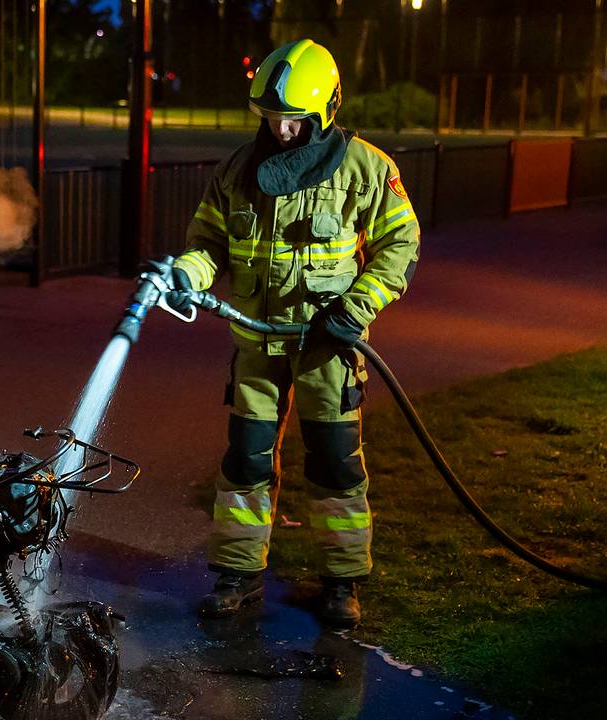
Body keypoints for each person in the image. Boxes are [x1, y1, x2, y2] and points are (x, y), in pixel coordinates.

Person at [165, 38, 420, 628]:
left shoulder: (368, 169)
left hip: (327, 352)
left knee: (334, 466)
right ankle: (238, 574)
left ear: (325, 111)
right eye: (272, 118)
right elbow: (207, 244)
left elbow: (399, 247)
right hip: (256, 351)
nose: (280, 131)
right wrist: (187, 272)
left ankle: (341, 583)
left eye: (293, 120)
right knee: (245, 463)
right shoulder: (236, 170)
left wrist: (355, 311)